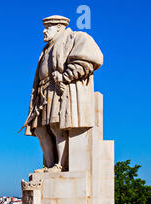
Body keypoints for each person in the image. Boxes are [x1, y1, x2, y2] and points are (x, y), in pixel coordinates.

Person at [22, 15, 103, 171]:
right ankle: (49, 164)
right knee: (39, 129)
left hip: (59, 90)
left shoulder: (75, 38)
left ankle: (60, 165)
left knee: (56, 126)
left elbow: (89, 60)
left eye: (48, 28)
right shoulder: (46, 49)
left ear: (59, 27)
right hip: (43, 92)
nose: (44, 31)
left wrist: (66, 76)